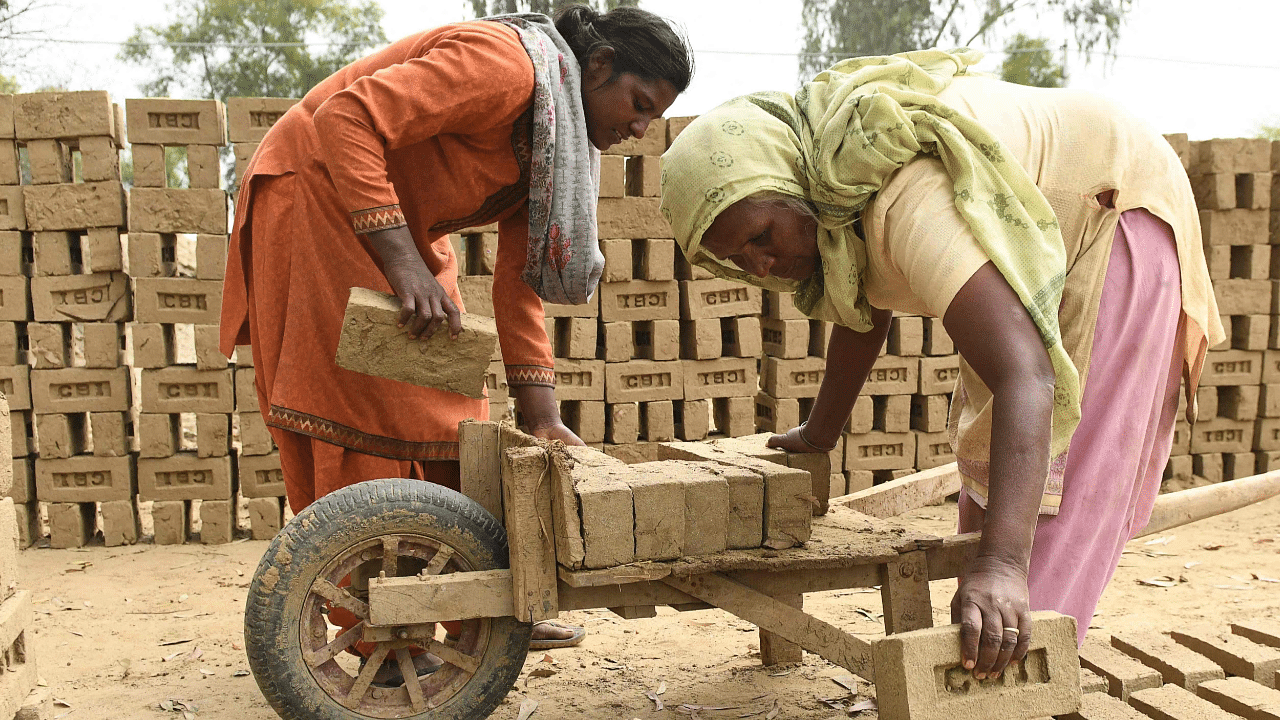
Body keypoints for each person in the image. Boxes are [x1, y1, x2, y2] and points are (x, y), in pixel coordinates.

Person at [660, 50, 1220, 680]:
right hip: (1047, 228)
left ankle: (1014, 679)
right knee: (994, 464)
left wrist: (1004, 564)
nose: (760, 265)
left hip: (1110, 209)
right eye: (738, 258)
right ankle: (982, 654)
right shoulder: (840, 196)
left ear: (789, 181)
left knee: (1064, 478)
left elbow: (1027, 378)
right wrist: (819, 436)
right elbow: (863, 308)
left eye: (761, 235)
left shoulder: (907, 195)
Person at [220, 5, 692, 660]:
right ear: (601, 66)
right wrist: (402, 262)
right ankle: (381, 633)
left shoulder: (558, 144)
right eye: (637, 104)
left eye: (652, 117)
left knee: (456, 419)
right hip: (317, 188)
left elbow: (520, 282)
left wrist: (544, 416)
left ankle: (482, 610)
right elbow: (345, 118)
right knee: (368, 413)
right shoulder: (504, 67)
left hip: (402, 228)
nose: (639, 129)